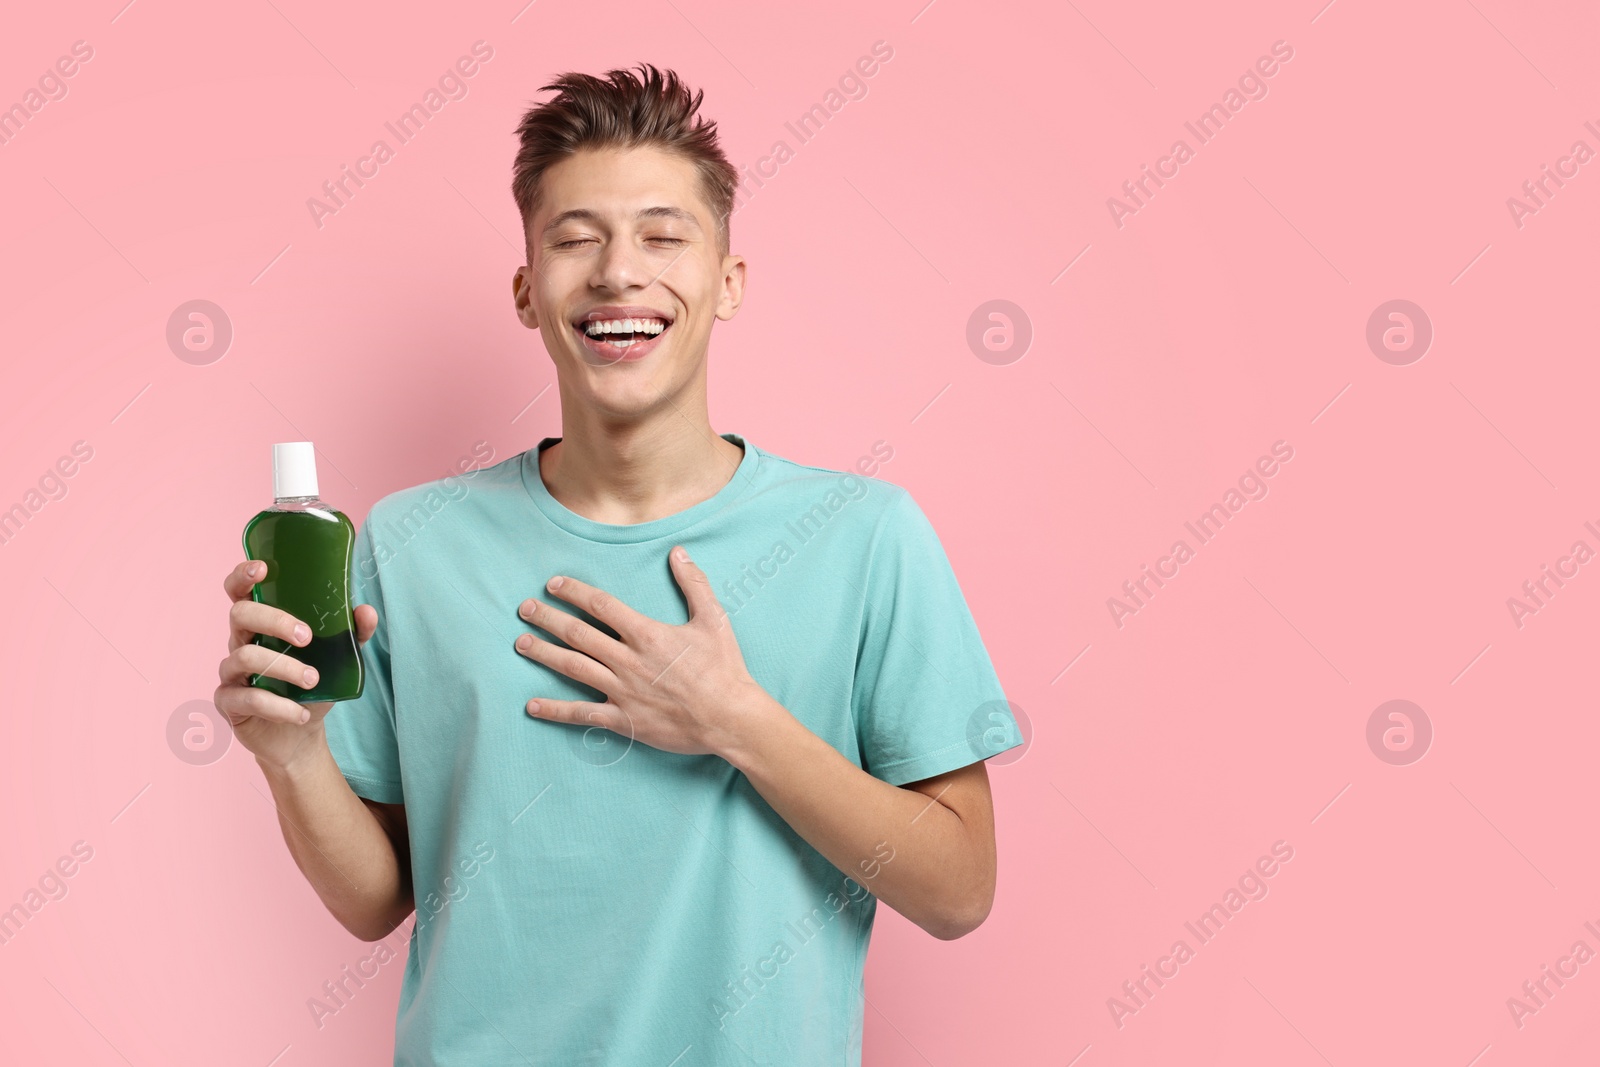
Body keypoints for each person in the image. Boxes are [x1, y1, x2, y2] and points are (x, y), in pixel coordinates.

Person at [215, 62, 1022, 1066]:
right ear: (525, 290)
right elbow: (377, 896)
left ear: (727, 282)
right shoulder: (407, 542)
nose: (617, 272)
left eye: (662, 234)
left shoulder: (864, 536)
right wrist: (290, 755)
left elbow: (958, 889)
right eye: (574, 238)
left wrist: (736, 720)